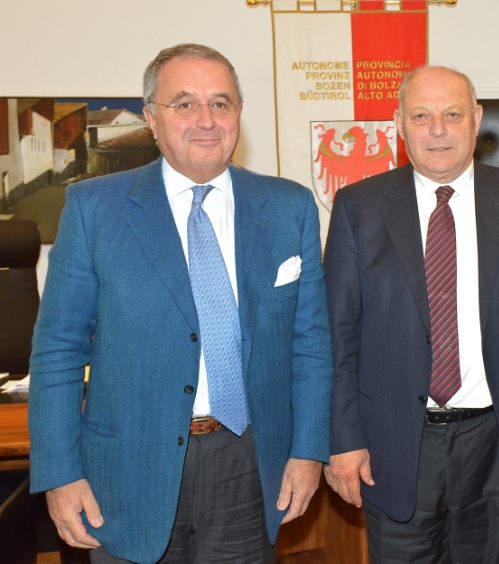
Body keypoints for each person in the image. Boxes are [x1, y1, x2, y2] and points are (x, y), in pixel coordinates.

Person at [28, 43, 332, 564]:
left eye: (221, 103)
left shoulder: (290, 207)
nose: (206, 120)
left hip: (249, 467)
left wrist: (308, 451)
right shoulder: (93, 209)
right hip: (127, 471)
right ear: (151, 117)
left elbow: (311, 345)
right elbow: (58, 351)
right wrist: (60, 474)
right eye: (185, 104)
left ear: (238, 113)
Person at [323, 65, 499, 563]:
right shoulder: (357, 207)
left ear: (476, 119)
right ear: (398, 124)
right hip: (393, 447)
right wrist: (342, 441)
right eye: (421, 116)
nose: (437, 130)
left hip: (496, 443)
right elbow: (337, 338)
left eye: (452, 115)